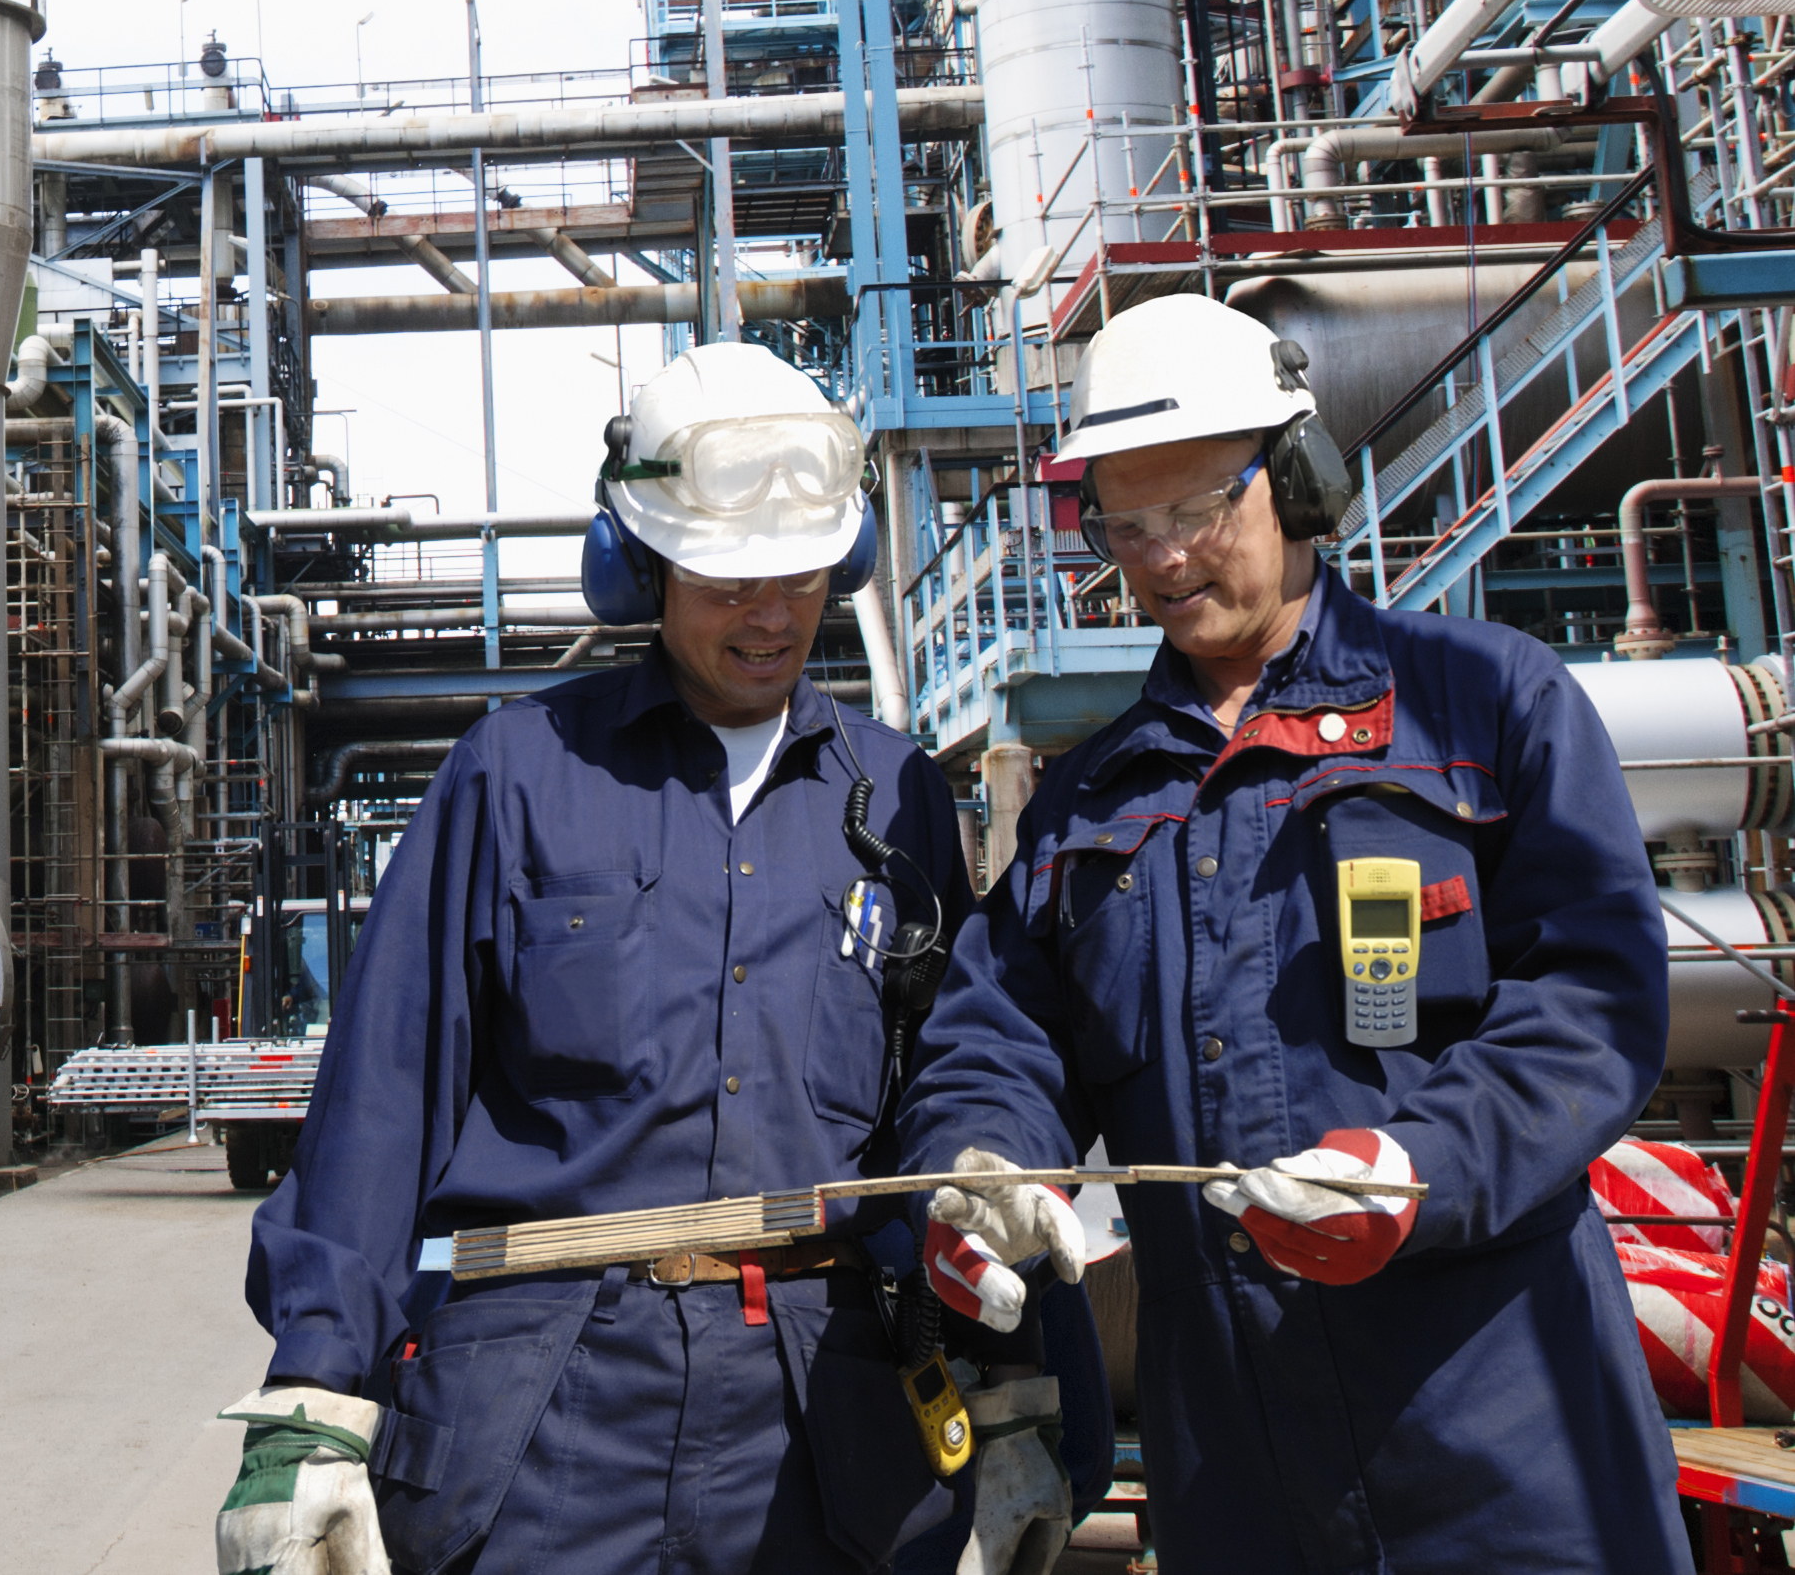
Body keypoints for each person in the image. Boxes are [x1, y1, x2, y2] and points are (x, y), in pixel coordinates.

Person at [231, 342, 1102, 1574]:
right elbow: (384, 1090)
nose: (771, 612)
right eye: (728, 580)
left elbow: (956, 1102)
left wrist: (1019, 1393)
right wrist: (311, 1401)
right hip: (545, 1421)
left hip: (823, 1420)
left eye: (801, 575)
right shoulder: (517, 774)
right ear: (641, 564)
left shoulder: (896, 793)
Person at [900, 292, 1683, 1573]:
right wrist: (979, 1164)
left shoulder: (1483, 704)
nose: (1157, 559)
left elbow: (1591, 1006)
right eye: (1122, 522)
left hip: (1509, 1451)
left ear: (1295, 479)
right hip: (1243, 1481)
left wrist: (1417, 1161)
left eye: (1197, 508)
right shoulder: (1087, 805)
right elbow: (997, 1038)